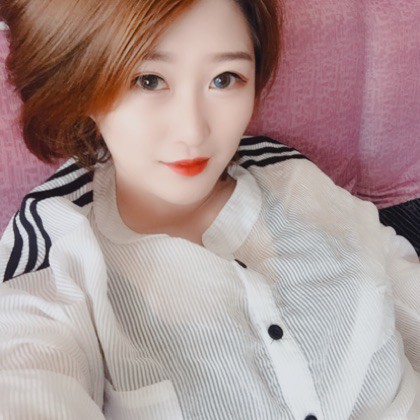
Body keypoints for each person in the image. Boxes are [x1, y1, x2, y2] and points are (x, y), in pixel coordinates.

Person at [0, 0, 419, 418]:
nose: (193, 130)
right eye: (148, 80)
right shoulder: (57, 256)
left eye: (224, 79)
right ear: (79, 83)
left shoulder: (296, 181)